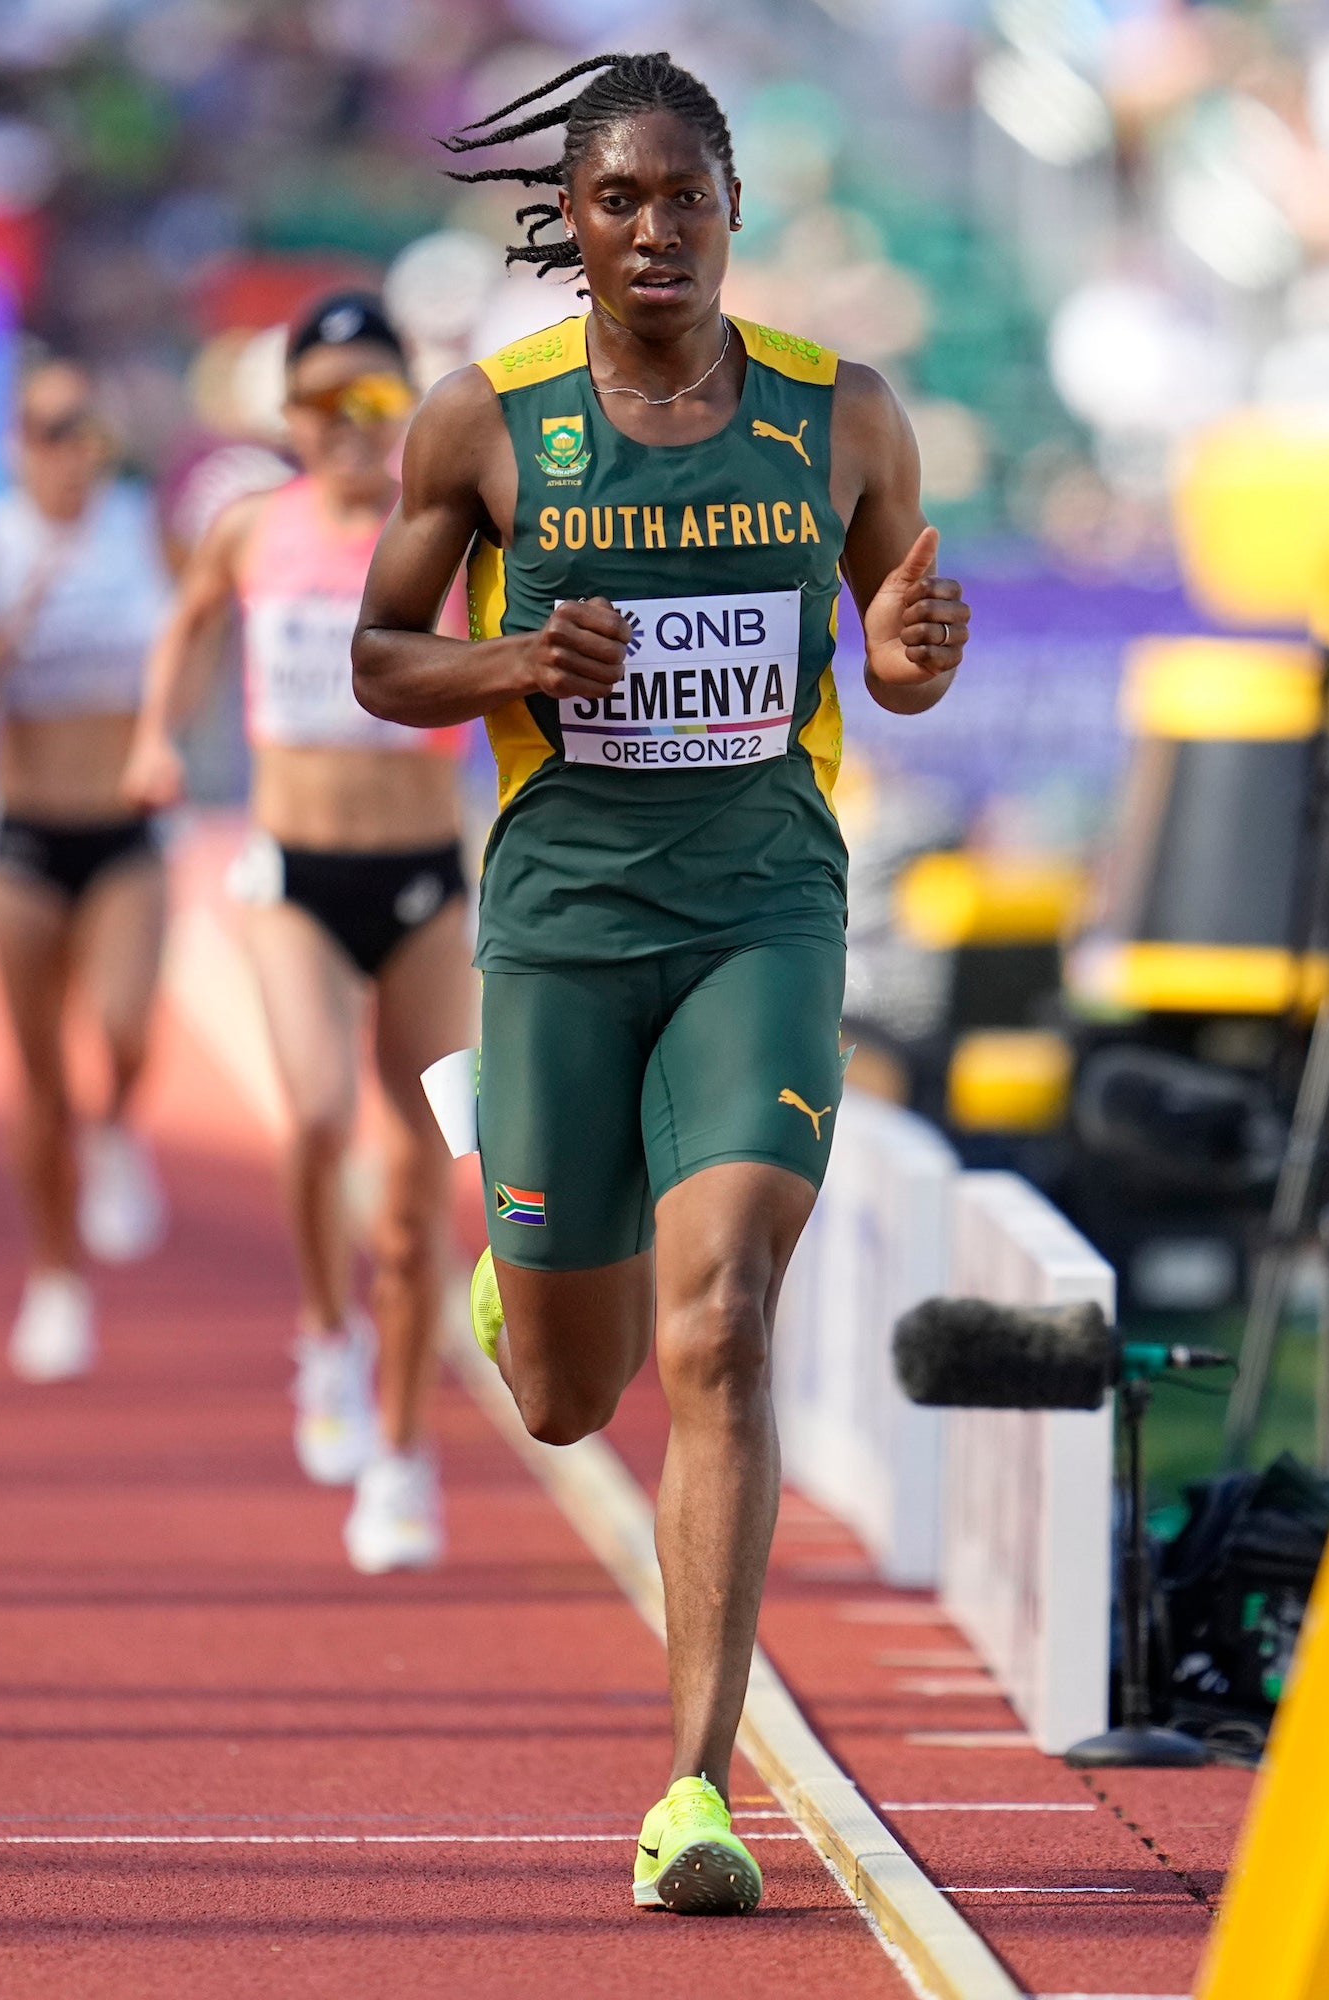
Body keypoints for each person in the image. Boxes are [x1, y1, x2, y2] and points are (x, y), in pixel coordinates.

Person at [352, 52, 972, 1913]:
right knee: (566, 1392)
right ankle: (524, 1266)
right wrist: (516, 659)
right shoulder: (486, 423)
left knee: (720, 1327)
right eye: (613, 201)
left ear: (726, 210)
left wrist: (920, 650)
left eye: (679, 198)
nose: (649, 231)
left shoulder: (837, 416)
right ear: (576, 221)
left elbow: (901, 651)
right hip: (562, 927)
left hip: (762, 915)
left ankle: (696, 1792)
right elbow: (381, 656)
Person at [123, 294, 473, 1576]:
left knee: (430, 1180)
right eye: (325, 404)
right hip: (295, 880)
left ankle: (400, 1457)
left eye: (375, 401)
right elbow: (186, 627)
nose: (348, 425)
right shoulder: (245, 532)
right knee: (321, 1114)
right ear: (291, 418)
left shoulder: (451, 538)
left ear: (408, 408)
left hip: (429, 885)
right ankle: (326, 1331)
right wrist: (159, 733)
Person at [0, 355, 174, 1383]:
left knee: (121, 1024)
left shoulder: (141, 528)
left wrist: (174, 723)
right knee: (34, 1082)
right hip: (25, 837)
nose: (73, 450)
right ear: (16, 443)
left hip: (122, 826)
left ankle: (116, 1126)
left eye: (86, 430)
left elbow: (199, 628)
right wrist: (7, 628)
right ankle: (56, 1277)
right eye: (51, 429)